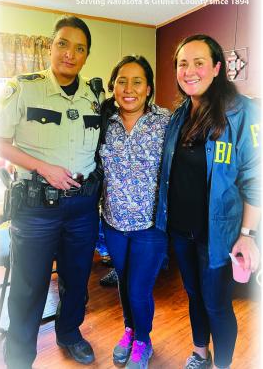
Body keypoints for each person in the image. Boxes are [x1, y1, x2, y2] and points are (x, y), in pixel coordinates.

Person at [0, 16, 104, 367]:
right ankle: (19, 356)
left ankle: (69, 333)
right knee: (29, 288)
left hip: (84, 207)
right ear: (50, 46)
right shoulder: (23, 87)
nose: (70, 54)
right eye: (63, 44)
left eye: (79, 48)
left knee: (75, 281)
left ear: (86, 55)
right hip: (36, 208)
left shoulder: (95, 96)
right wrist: (42, 166)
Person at [156, 34, 260, 369]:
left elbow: (254, 180)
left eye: (199, 62)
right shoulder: (179, 115)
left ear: (217, 67)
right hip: (181, 230)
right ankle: (200, 352)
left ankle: (222, 364)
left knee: (216, 304)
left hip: (220, 234)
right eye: (182, 64)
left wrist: (247, 233)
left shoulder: (244, 112)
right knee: (194, 295)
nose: (189, 71)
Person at [97, 56, 170, 369]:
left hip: (151, 227)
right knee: (124, 283)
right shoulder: (103, 123)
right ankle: (130, 329)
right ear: (113, 86)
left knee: (139, 289)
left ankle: (143, 340)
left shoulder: (165, 122)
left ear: (149, 88)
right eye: (121, 81)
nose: (128, 88)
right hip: (113, 223)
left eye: (137, 81)